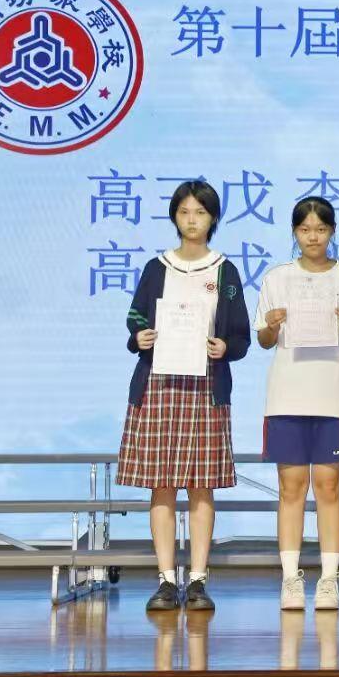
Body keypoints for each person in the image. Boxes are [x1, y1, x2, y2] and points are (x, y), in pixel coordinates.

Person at [117, 180, 251, 613]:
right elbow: (135, 318)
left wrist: (225, 347)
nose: (192, 220)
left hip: (206, 386)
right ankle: (164, 579)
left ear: (213, 218)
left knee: (201, 484)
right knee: (161, 485)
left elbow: (241, 335)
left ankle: (197, 579)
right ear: (174, 216)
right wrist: (140, 337)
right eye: (185, 212)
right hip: (158, 385)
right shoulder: (157, 267)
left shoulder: (224, 271)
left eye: (201, 212)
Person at [254, 197, 339, 611]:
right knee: (291, 488)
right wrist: (271, 327)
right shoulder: (277, 278)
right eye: (305, 230)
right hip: (287, 395)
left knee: (328, 486)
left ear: (332, 231)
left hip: (333, 395)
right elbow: (263, 340)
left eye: (321, 229)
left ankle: (329, 579)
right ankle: (290, 579)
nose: (313, 237)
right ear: (295, 233)